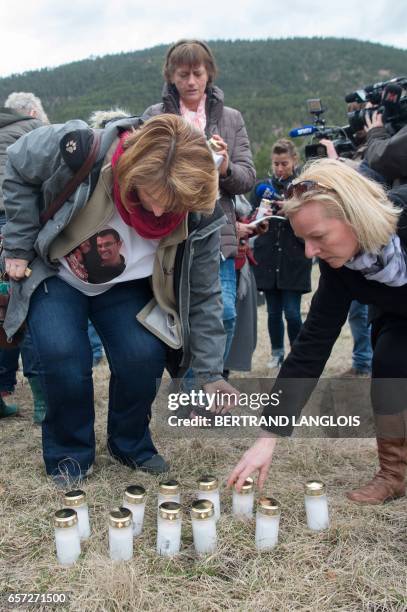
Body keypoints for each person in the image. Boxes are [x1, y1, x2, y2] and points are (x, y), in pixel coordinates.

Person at [2, 113, 235, 486]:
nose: (159, 213)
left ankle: (130, 443)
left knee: (142, 355)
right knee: (62, 354)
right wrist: (17, 242)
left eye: (172, 206)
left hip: (128, 286)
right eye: (153, 198)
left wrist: (210, 374)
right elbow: (16, 161)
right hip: (58, 273)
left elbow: (204, 293)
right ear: (133, 171)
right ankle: (69, 453)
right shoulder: (81, 147)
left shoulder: (199, 212)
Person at [228, 158, 407, 505]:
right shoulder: (341, 268)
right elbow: (311, 347)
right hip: (398, 315)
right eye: (303, 241)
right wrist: (268, 435)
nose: (310, 252)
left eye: (318, 237)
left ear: (355, 215)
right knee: (389, 363)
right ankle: (394, 474)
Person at [143, 39, 256, 362]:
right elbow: (141, 171)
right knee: (179, 319)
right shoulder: (154, 116)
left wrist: (224, 167)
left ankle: (208, 392)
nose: (190, 82)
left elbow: (247, 177)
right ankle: (196, 399)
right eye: (182, 75)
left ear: (209, 74)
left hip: (217, 232)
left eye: (197, 73)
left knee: (225, 315)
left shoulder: (231, 119)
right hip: (169, 231)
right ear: (170, 76)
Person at [0, 92, 48, 422]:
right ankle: (43, 401)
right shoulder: (35, 130)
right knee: (27, 309)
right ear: (32, 111)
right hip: (18, 226)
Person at [250, 139, 312, 368]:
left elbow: (313, 223)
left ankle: (297, 352)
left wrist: (292, 211)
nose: (279, 168)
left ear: (294, 160)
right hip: (268, 258)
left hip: (293, 259)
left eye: (284, 163)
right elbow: (250, 219)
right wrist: (259, 216)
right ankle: (277, 353)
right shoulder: (263, 187)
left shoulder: (304, 188)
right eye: (276, 163)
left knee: (293, 313)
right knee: (273, 312)